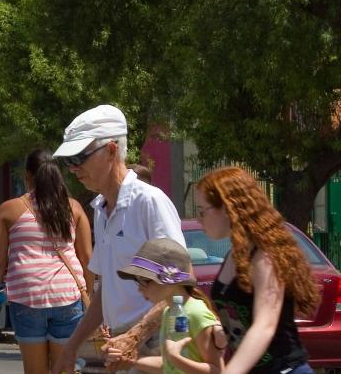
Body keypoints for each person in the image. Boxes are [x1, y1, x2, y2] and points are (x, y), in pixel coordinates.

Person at [50, 105, 186, 374]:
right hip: (123, 344)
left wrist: (134, 337)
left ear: (112, 150)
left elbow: (180, 284)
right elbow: (106, 291)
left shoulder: (149, 202)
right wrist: (72, 346)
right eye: (69, 160)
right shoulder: (101, 209)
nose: (74, 168)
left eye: (81, 157)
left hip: (156, 344)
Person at [193, 167, 319, 374]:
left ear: (226, 208)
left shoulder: (265, 257)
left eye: (202, 211)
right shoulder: (233, 256)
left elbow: (265, 325)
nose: (199, 219)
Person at [0, 149, 92, 374]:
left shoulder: (9, 209)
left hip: (27, 296)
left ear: (27, 176)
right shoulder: (73, 208)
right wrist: (92, 300)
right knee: (64, 369)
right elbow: (87, 257)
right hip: (67, 295)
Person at [106, 238, 225, 374]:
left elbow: (217, 370)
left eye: (144, 281)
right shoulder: (170, 311)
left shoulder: (196, 313)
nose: (140, 289)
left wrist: (176, 358)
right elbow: (169, 365)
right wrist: (131, 361)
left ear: (170, 279)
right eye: (137, 282)